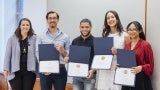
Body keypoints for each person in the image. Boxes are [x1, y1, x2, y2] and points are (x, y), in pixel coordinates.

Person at [36, 11, 70, 90]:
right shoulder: (40, 36)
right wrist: (43, 68)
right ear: (47, 20)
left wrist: (62, 50)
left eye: (54, 18)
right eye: (50, 18)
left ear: (58, 20)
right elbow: (37, 53)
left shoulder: (65, 37)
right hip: (45, 71)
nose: (52, 20)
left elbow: (68, 55)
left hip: (60, 70)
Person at [97, 10, 130, 90]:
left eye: (112, 17)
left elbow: (129, 55)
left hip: (117, 68)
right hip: (104, 68)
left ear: (117, 19)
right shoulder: (105, 34)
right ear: (106, 21)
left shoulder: (125, 35)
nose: (110, 19)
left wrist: (117, 52)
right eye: (108, 18)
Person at [3, 18, 37, 90]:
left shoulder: (35, 39)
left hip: (29, 71)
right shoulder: (12, 39)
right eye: (23, 25)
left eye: (27, 25)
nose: (25, 26)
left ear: (30, 27)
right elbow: (7, 55)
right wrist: (5, 69)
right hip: (15, 71)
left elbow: (38, 54)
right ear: (19, 26)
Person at [121, 21, 154, 90]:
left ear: (139, 31)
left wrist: (141, 67)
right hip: (127, 78)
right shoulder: (127, 45)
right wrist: (120, 66)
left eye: (134, 29)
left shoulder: (146, 45)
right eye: (129, 30)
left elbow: (150, 66)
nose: (131, 31)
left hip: (141, 79)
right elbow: (125, 62)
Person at [65, 18, 96, 90]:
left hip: (90, 75)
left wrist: (93, 70)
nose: (84, 29)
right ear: (79, 28)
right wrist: (68, 58)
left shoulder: (96, 41)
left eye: (87, 27)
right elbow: (72, 57)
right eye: (82, 27)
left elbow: (98, 60)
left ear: (91, 27)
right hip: (76, 76)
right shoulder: (75, 41)